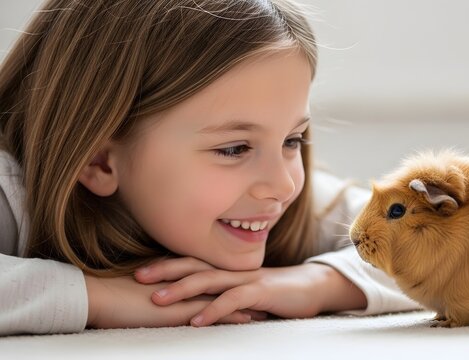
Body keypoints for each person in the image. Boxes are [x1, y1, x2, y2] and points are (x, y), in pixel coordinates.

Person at [0, 0, 418, 336]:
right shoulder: (11, 191)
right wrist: (100, 298)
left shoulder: (293, 205)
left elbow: (446, 239)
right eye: (235, 149)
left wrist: (311, 285)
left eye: (292, 140)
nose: (282, 184)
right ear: (99, 160)